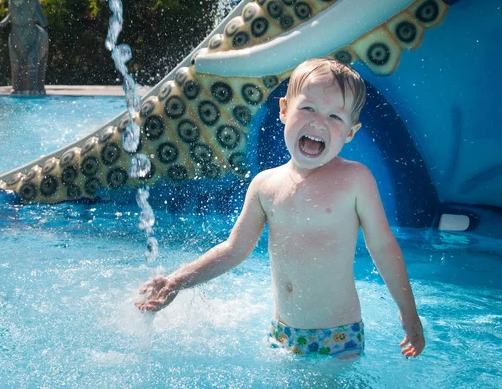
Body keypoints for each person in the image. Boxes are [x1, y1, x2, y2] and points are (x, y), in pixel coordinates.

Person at [135, 58, 425, 359]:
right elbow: (234, 249)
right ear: (285, 110)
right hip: (282, 332)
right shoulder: (264, 185)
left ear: (350, 132)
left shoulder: (355, 180)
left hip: (337, 335)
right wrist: (176, 281)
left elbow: (383, 246)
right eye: (308, 108)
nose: (319, 122)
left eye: (335, 117)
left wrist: (408, 311)